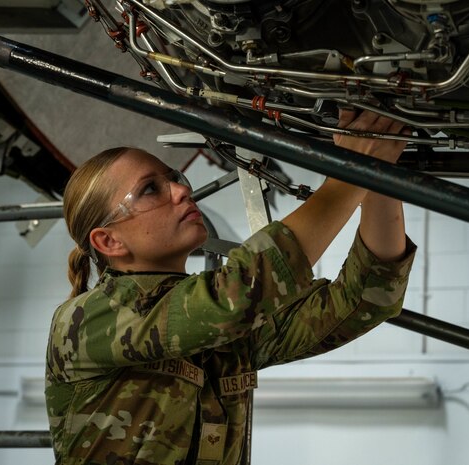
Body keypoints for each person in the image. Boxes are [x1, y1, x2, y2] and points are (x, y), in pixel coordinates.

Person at [45, 109, 416, 465]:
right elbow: (234, 299)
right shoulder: (84, 321)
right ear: (109, 242)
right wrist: (350, 170)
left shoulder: (218, 330)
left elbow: (365, 299)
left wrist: (377, 173)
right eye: (149, 190)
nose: (179, 190)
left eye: (173, 177)